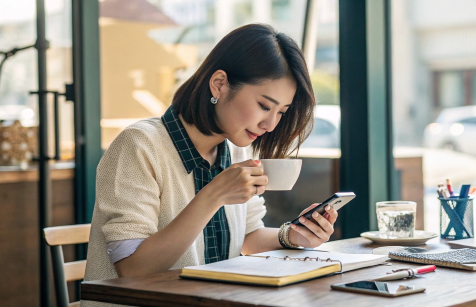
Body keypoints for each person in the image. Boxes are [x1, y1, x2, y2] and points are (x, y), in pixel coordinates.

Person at [83, 24, 338, 304]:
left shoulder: (236, 150)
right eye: (265, 106)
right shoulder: (139, 145)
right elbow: (133, 269)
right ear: (219, 84)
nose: (270, 124)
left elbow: (248, 236)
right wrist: (213, 195)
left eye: (281, 112)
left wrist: (293, 236)